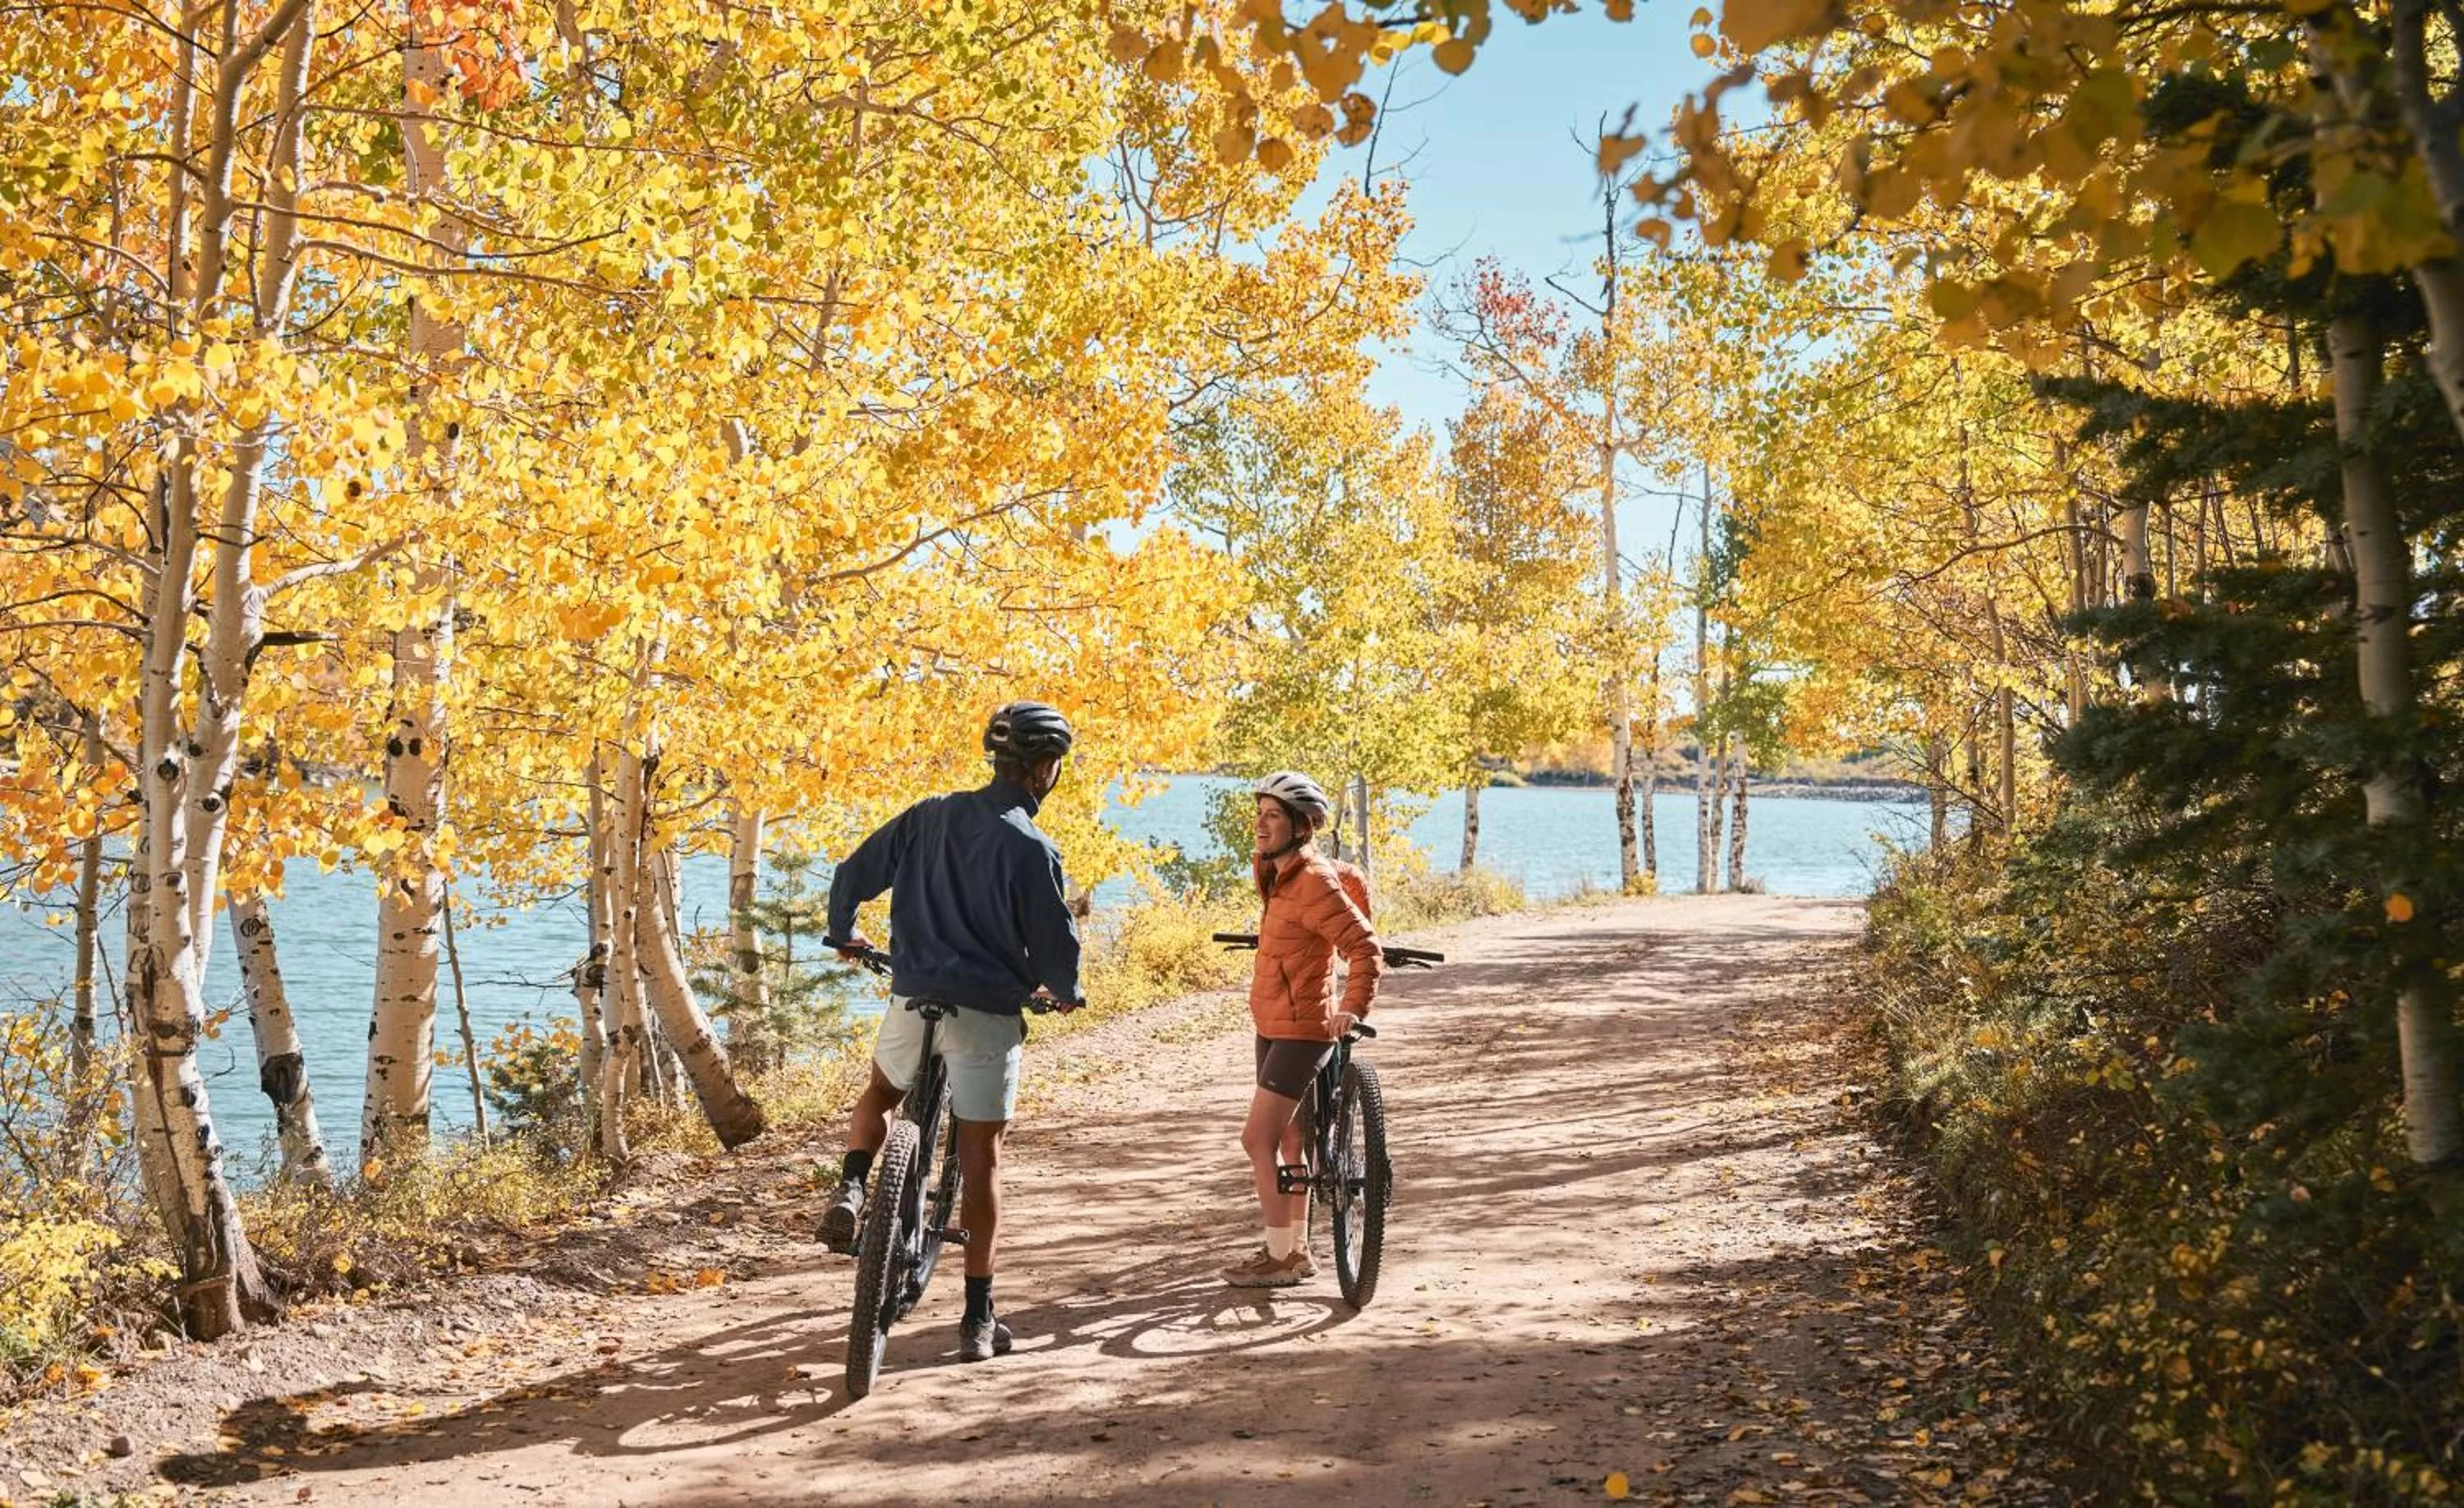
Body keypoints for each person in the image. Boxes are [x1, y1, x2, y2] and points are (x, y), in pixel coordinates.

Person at [818, 699, 1084, 1362]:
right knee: (981, 1156)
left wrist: (844, 929)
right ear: (1046, 769)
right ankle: (977, 1318)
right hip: (985, 1015)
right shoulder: (1033, 847)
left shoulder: (927, 815)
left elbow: (853, 873)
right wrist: (1067, 991)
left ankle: (853, 1182)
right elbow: (1057, 943)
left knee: (881, 1094)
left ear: (996, 758)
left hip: (913, 997)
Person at [1224, 770, 1384, 1288]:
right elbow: (1351, 876)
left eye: (1273, 816)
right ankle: (1294, 1250)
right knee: (1290, 1141)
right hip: (1271, 1023)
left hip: (1303, 1031)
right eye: (1259, 814)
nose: (1260, 824)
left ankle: (1279, 1257)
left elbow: (1364, 948)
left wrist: (1352, 1007)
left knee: (1257, 1139)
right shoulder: (1277, 870)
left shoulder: (1312, 879)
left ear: (1300, 827)